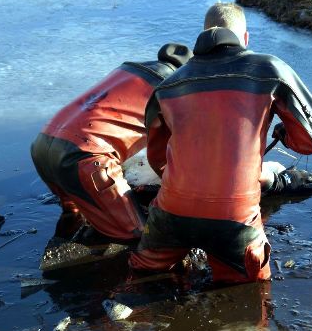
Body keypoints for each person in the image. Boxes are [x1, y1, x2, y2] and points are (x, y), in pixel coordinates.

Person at [129, 3, 312, 283]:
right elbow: (311, 141)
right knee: (250, 298)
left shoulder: (168, 85)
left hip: (171, 213)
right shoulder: (269, 69)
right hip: (234, 220)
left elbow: (157, 158)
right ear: (245, 38)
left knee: (142, 280)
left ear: (201, 34)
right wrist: (284, 131)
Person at [30, 43, 193, 241]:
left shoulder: (127, 70)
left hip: (42, 144)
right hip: (84, 157)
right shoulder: (171, 90)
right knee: (141, 236)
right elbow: (164, 155)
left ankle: (66, 236)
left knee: (75, 212)